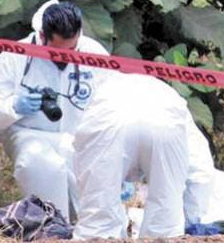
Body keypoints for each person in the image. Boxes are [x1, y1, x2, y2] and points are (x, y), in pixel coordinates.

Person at [0, 0, 108, 217]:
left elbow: (112, 103)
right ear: (42, 36)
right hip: (28, 133)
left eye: (71, 50)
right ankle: (51, 226)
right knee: (42, 165)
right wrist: (13, 106)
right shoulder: (15, 56)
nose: (65, 57)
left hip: (78, 136)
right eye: (57, 51)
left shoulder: (94, 53)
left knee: (95, 185)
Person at [72, 72, 195, 239]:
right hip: (164, 117)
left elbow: (80, 154)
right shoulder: (173, 103)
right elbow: (201, 172)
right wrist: (193, 219)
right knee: (166, 222)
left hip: (109, 115)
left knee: (99, 224)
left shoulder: (102, 92)